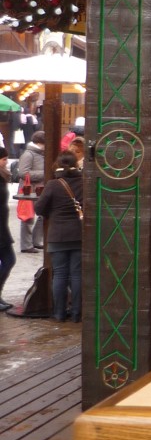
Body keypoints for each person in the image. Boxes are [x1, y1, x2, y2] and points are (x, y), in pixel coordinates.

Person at [33, 150, 84, 323]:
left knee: (60, 274)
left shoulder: (53, 184)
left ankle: (60, 313)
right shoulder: (84, 182)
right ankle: (77, 313)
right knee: (77, 274)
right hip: (79, 234)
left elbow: (39, 209)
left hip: (58, 235)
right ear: (76, 165)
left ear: (58, 165)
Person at [17, 130, 46, 253]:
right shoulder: (29, 154)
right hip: (29, 190)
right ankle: (26, 245)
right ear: (40, 143)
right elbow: (23, 173)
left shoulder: (39, 153)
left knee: (42, 215)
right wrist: (44, 174)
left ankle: (36, 241)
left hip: (38, 189)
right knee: (28, 217)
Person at [0, 147, 16, 311]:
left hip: (2, 227)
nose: (6, 162)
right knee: (9, 260)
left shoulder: (2, 176)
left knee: (9, 260)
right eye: (4, 159)